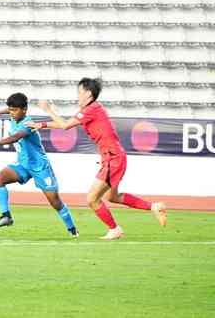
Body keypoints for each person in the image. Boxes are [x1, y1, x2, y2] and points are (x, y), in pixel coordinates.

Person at [26, 78, 167, 240]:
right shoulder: (92, 109)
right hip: (113, 157)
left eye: (79, 92)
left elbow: (65, 125)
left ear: (88, 93)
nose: (77, 96)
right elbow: (64, 124)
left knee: (92, 199)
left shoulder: (90, 109)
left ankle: (115, 229)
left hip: (113, 158)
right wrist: (42, 125)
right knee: (112, 197)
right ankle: (155, 207)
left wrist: (48, 109)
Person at [0, 92, 79, 237]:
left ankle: (72, 229)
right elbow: (9, 110)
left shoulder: (28, 124)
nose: (12, 113)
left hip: (40, 167)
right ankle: (6, 216)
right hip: (23, 165)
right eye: (10, 110)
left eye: (15, 110)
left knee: (55, 201)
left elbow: (15, 137)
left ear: (24, 109)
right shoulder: (14, 115)